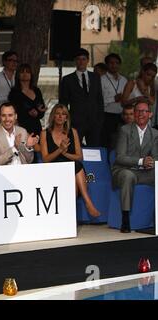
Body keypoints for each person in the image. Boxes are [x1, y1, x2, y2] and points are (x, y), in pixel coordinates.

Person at [40, 104, 101, 218]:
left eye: (63, 114)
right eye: (57, 113)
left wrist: (65, 153)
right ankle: (87, 203)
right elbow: (46, 159)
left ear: (66, 118)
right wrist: (60, 150)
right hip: (54, 168)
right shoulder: (45, 133)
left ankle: (70, 217)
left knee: (75, 169)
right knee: (75, 168)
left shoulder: (73, 132)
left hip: (71, 168)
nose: (60, 116)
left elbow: (79, 156)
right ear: (53, 116)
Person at [111, 102, 158, 233]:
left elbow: (156, 157)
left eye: (144, 111)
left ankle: (156, 217)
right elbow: (119, 157)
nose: (140, 114)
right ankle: (125, 220)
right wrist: (141, 161)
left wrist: (151, 162)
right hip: (123, 170)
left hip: (144, 172)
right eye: (138, 111)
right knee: (128, 175)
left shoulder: (154, 133)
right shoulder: (125, 130)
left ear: (150, 114)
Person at [59, 48, 105, 147]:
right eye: (79, 59)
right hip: (76, 121)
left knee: (94, 150)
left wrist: (100, 120)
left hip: (94, 121)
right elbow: (63, 102)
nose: (81, 62)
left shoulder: (95, 77)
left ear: (88, 61)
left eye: (83, 59)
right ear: (75, 61)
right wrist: (65, 122)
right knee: (74, 148)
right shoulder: (68, 79)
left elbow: (99, 99)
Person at [8, 63, 46, 137]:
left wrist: (38, 112)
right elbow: (13, 111)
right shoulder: (14, 92)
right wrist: (28, 112)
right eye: (22, 72)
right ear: (18, 75)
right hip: (21, 126)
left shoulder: (37, 90)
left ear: (31, 75)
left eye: (27, 72)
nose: (25, 74)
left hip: (36, 127)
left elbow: (41, 109)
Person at [101, 53, 127, 149]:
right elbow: (99, 100)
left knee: (121, 142)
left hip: (122, 116)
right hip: (107, 116)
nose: (114, 65)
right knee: (107, 142)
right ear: (107, 65)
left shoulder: (124, 80)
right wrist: (113, 98)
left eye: (117, 63)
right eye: (111, 63)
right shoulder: (102, 79)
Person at [0, 51, 18, 123]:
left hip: (15, 119)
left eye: (15, 61)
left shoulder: (19, 78)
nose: (14, 63)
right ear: (4, 62)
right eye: (10, 60)